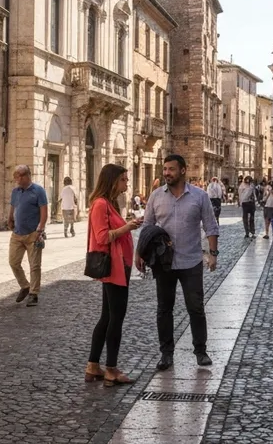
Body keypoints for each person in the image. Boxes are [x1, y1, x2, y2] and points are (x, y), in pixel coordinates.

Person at [139, 154, 220, 371]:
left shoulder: (200, 196)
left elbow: (210, 226)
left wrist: (212, 253)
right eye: (165, 169)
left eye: (171, 169)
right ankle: (166, 354)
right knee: (164, 309)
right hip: (163, 263)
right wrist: (140, 254)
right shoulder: (156, 196)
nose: (167, 173)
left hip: (191, 261)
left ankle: (200, 351)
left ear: (183, 171)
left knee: (196, 308)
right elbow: (147, 227)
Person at [85, 164, 143, 387]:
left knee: (107, 317)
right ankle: (111, 368)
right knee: (115, 318)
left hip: (120, 266)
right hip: (115, 268)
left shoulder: (110, 203)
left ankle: (93, 365)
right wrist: (127, 227)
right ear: (112, 181)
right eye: (124, 180)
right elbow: (102, 237)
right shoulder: (100, 204)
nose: (127, 184)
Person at [8, 164, 47, 308]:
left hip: (33, 234)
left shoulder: (38, 191)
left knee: (35, 265)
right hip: (17, 233)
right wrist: (10, 218)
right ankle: (25, 285)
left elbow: (44, 211)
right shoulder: (15, 192)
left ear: (25, 176)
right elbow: (13, 207)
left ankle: (33, 293)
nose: (16, 179)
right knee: (13, 261)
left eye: (17, 176)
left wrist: (40, 229)